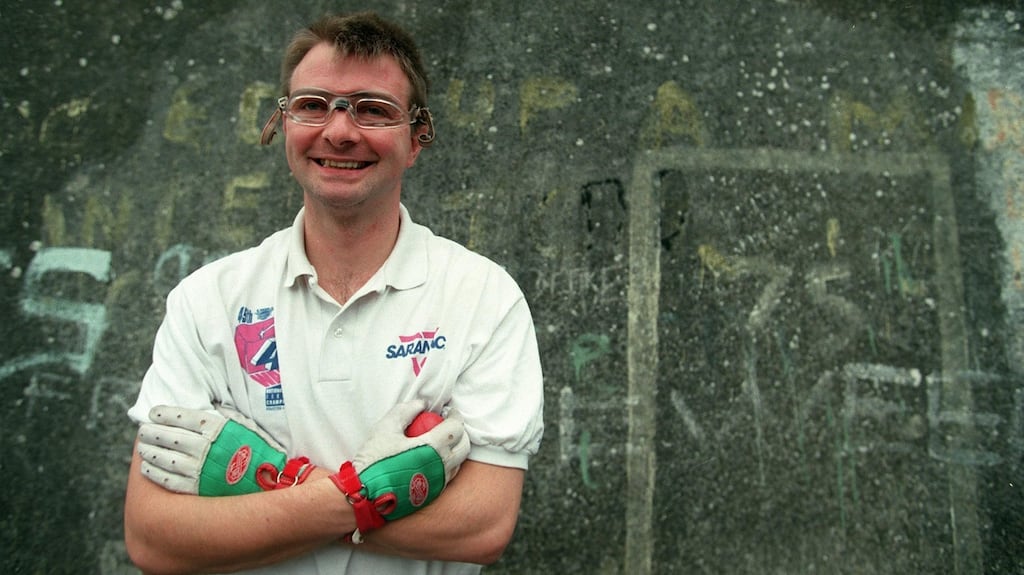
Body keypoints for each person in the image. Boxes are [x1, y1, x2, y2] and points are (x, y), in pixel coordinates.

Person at [123, 11, 544, 575]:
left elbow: (482, 526)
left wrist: (266, 482)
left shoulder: (483, 299)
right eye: (313, 105)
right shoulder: (207, 302)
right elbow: (155, 538)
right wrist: (362, 493)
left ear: (417, 139)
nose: (339, 131)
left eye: (373, 110)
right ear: (283, 125)